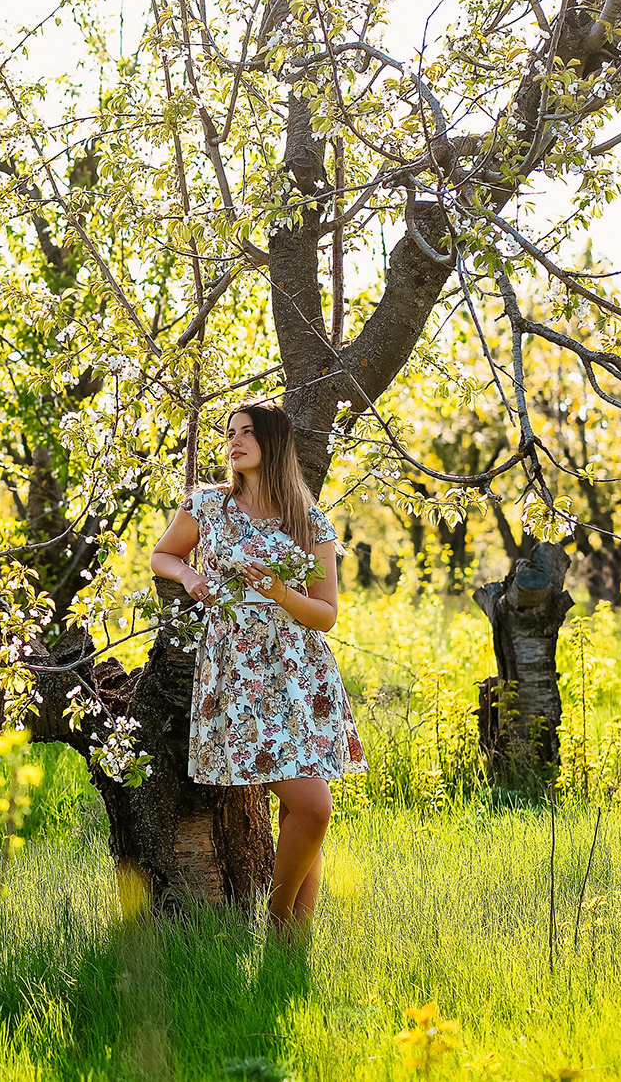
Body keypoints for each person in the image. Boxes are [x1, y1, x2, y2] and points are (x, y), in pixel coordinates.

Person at [148, 401, 366, 941]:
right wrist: (191, 578)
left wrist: (280, 592)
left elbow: (326, 614)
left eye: (247, 432)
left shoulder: (307, 519)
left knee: (306, 810)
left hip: (298, 671)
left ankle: (289, 935)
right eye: (230, 433)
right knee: (312, 807)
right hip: (238, 671)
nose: (235, 441)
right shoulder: (207, 504)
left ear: (274, 443)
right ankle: (281, 924)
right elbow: (163, 556)